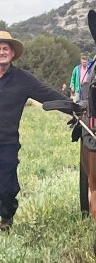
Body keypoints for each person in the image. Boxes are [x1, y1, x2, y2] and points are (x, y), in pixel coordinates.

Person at [0, 31, 72, 231]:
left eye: (5, 48)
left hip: (6, 143)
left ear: (13, 54)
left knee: (6, 188)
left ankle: (6, 217)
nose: (1, 52)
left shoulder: (22, 79)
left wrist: (75, 108)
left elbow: (47, 94)